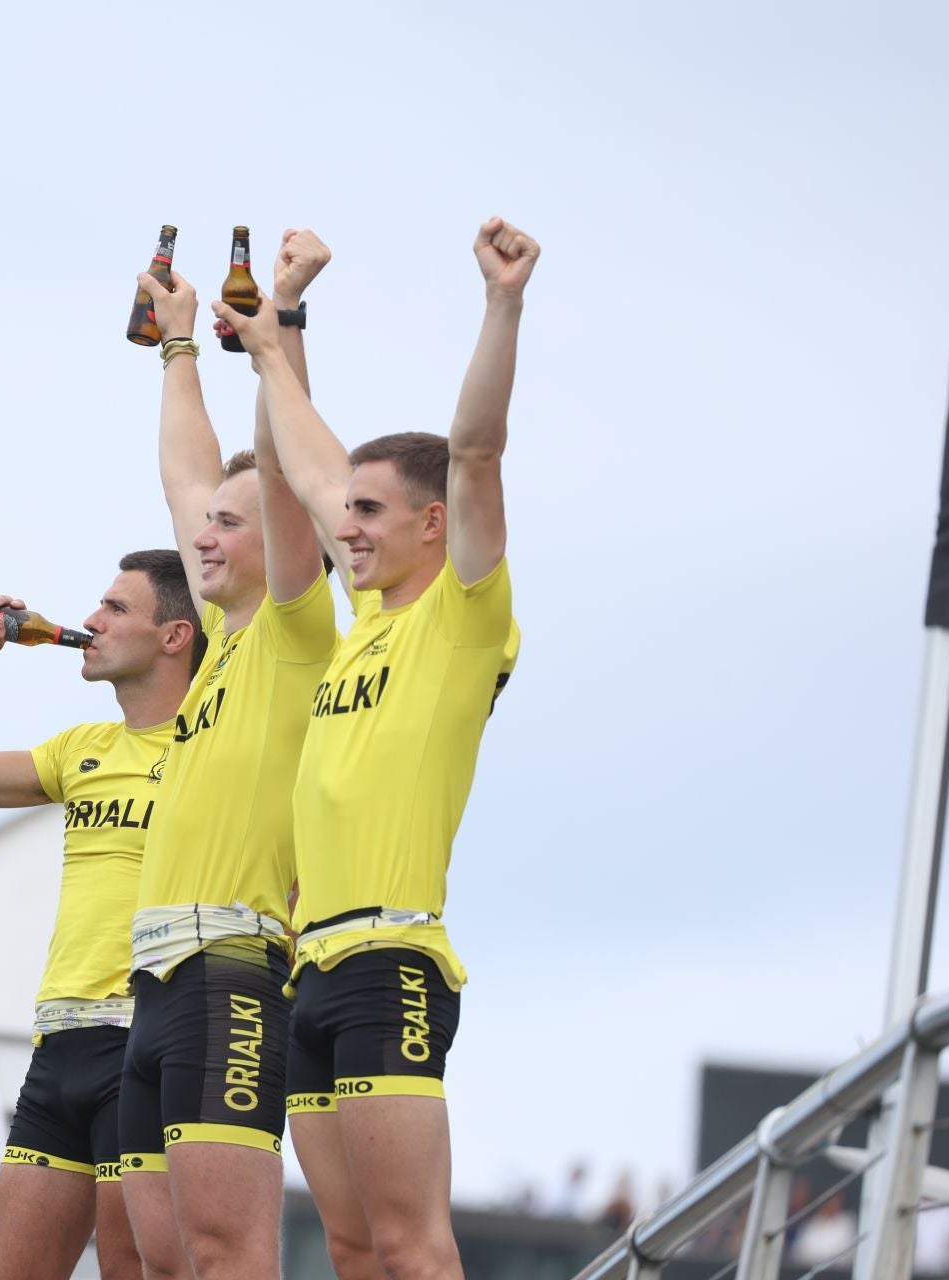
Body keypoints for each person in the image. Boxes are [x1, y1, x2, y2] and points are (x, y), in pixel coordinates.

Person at [231, 217, 539, 1280]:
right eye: (345, 511)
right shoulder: (364, 623)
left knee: (410, 1246)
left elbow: (478, 450)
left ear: (435, 525)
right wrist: (277, 336)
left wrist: (501, 304)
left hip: (390, 960)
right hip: (311, 968)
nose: (345, 527)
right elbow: (307, 466)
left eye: (370, 512)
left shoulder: (457, 618)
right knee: (355, 1247)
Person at [119, 235, 336, 1280]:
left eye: (227, 526)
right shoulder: (217, 649)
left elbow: (289, 479)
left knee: (226, 1254)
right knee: (166, 1263)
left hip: (234, 965)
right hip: (154, 971)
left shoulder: (295, 630)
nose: (199, 537)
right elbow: (185, 470)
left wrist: (275, 340)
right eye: (201, 526)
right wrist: (176, 349)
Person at [0, 552, 204, 1280]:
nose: (91, 622)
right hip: (59, 1041)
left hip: (147, 1037)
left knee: (133, 1270)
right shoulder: (83, 749)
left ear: (174, 636)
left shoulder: (214, 747)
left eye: (115, 609)